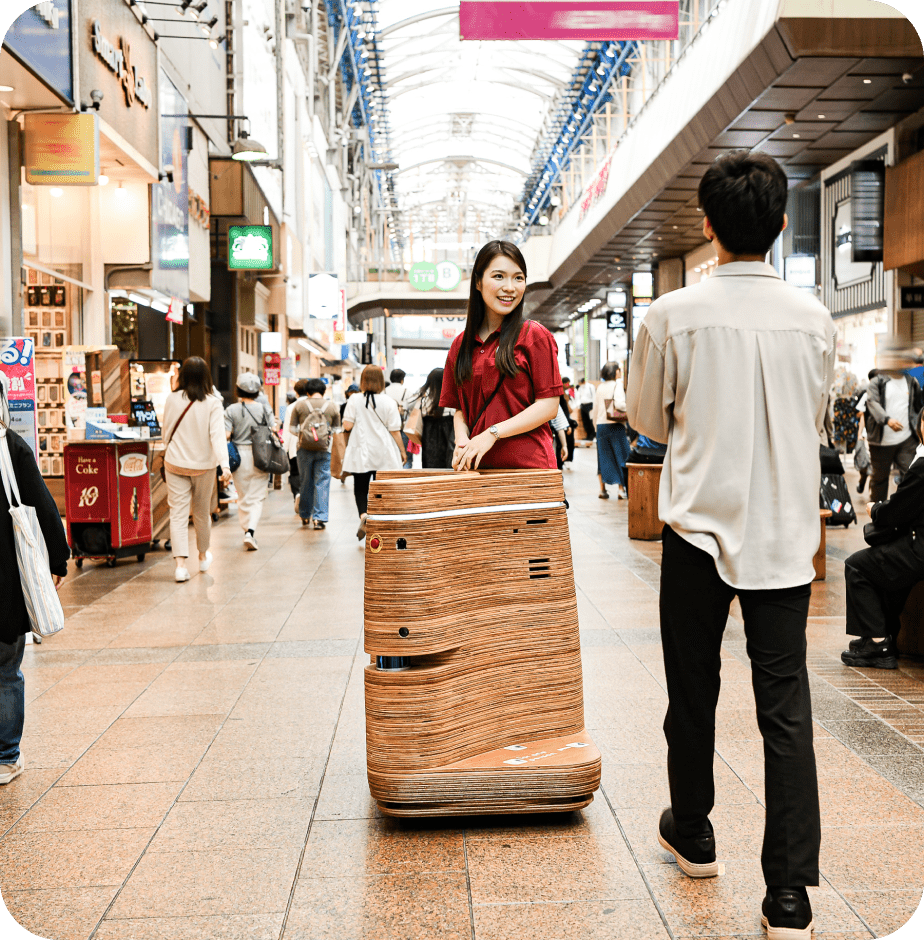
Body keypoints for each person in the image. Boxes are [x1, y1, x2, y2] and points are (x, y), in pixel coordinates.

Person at [627, 150, 835, 940]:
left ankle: (696, 832)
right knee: (785, 710)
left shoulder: (672, 315)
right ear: (782, 226)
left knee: (694, 690)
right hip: (784, 534)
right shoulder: (813, 320)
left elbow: (647, 421)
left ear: (707, 226)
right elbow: (814, 419)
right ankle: (788, 895)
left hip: (695, 531)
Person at [440, 239, 562, 472]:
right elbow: (459, 408)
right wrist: (462, 439)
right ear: (478, 282)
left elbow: (548, 406)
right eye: (499, 276)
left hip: (529, 469)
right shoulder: (460, 345)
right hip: (477, 470)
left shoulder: (534, 335)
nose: (510, 287)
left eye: (518, 278)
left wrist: (493, 433)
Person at [0, 379, 69, 785]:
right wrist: (58, 559)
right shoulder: (11, 446)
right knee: (7, 668)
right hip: (7, 579)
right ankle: (7, 757)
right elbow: (43, 503)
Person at [840, 409, 924, 669]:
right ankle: (883, 633)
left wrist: (875, 509)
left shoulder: (923, 466)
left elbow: (896, 511)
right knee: (886, 564)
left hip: (919, 547)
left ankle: (878, 643)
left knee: (858, 565)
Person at [162, 357, 232, 582]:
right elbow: (217, 437)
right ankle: (202, 557)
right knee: (202, 513)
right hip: (204, 466)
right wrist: (225, 466)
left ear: (182, 376)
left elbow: (165, 433)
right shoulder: (212, 402)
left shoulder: (172, 399)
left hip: (175, 463)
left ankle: (180, 566)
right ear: (206, 377)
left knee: (178, 514)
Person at [342, 365, 405, 540]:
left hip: (360, 450)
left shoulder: (354, 400)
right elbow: (395, 430)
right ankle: (378, 519)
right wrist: (402, 450)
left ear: (363, 381)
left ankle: (364, 516)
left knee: (361, 488)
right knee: (380, 489)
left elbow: (347, 426)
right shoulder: (389, 402)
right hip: (383, 452)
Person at [225, 373, 276, 551]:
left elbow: (225, 435)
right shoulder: (263, 408)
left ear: (238, 390)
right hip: (260, 453)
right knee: (257, 496)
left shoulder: (231, 410)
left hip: (238, 456)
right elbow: (274, 428)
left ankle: (247, 529)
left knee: (243, 495)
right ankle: (250, 532)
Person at [289, 378, 341, 529]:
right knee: (323, 482)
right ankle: (319, 518)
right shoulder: (332, 406)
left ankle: (305, 515)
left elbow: (292, 429)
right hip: (325, 449)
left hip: (304, 449)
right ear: (324, 391)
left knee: (305, 481)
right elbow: (337, 430)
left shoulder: (299, 405)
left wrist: (305, 435)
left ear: (307, 391)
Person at [865, 368, 923, 502]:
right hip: (881, 442)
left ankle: (908, 516)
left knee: (912, 475)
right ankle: (878, 518)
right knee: (879, 481)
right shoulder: (877, 381)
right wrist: (887, 420)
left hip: (907, 440)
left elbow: (917, 406)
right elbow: (872, 402)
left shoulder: (911, 381)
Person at [592, 362, 629, 500]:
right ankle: (621, 490)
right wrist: (630, 407)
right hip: (615, 425)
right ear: (615, 372)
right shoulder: (617, 384)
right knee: (620, 456)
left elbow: (595, 408)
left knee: (603, 457)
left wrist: (596, 426)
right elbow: (619, 404)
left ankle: (602, 490)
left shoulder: (600, 387)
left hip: (601, 425)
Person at [414, 367, 455, 470]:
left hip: (429, 431)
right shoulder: (451, 394)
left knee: (430, 463)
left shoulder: (423, 395)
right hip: (449, 429)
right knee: (449, 459)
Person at [283, 381, 307, 507]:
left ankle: (297, 494)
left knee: (295, 472)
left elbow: (287, 429)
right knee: (309, 473)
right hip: (312, 444)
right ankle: (308, 497)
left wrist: (284, 448)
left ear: (296, 392)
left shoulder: (291, 407)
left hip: (295, 445)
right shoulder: (313, 404)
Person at [385, 368, 414, 469]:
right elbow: (412, 410)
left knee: (388, 456)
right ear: (402, 380)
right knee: (407, 457)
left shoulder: (384, 392)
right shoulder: (407, 392)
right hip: (404, 428)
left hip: (387, 429)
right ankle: (405, 480)